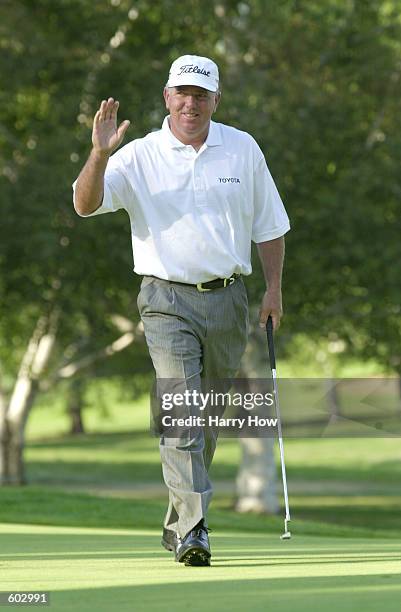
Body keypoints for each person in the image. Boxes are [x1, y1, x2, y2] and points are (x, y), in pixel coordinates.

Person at [73, 54, 290, 566]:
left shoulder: (242, 148)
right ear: (167, 97)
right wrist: (100, 155)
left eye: (201, 95)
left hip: (230, 300)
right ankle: (196, 529)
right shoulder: (139, 154)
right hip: (165, 300)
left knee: (205, 416)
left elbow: (270, 225)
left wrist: (274, 291)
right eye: (182, 93)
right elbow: (84, 204)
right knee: (183, 410)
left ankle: (179, 522)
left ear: (215, 100)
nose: (191, 103)